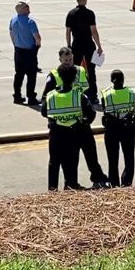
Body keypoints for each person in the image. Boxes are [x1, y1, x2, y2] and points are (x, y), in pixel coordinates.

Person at [42, 47, 108, 186]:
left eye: (70, 59)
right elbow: (46, 98)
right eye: (66, 60)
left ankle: (96, 179)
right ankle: (71, 184)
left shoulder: (81, 71)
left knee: (90, 154)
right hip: (66, 125)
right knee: (69, 159)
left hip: (80, 121)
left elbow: (88, 91)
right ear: (59, 60)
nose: (68, 62)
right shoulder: (54, 75)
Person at [42, 65, 94, 191]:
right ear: (74, 78)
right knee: (71, 160)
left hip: (56, 132)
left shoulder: (51, 96)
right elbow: (91, 113)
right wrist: (84, 123)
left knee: (54, 161)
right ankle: (71, 185)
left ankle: (52, 187)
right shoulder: (78, 95)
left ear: (59, 77)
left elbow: (44, 112)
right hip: (74, 131)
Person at [101, 69, 135, 186]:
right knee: (129, 158)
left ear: (112, 80)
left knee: (112, 159)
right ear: (123, 80)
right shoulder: (132, 93)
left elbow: (104, 108)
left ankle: (114, 183)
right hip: (128, 129)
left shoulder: (106, 94)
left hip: (112, 129)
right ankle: (127, 182)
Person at [65, 0, 103, 87]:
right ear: (85, 0)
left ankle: (74, 88)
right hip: (88, 44)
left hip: (76, 43)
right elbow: (94, 31)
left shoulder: (71, 14)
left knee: (75, 68)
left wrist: (69, 45)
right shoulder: (90, 13)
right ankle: (92, 93)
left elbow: (68, 31)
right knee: (91, 69)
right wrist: (99, 46)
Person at [9, 0, 42, 105]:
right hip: (29, 51)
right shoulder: (30, 22)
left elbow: (11, 33)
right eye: (26, 7)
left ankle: (17, 96)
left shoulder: (13, 20)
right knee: (31, 75)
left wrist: (15, 44)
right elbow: (37, 36)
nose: (28, 8)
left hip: (18, 50)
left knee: (19, 75)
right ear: (22, 9)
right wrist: (38, 45)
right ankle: (31, 97)